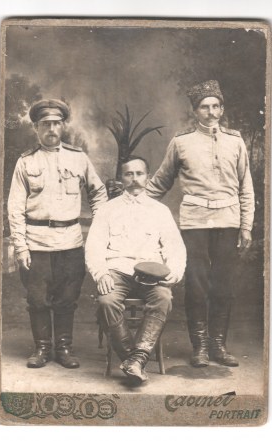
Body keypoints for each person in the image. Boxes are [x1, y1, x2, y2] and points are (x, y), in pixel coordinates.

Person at [146, 80, 255, 368]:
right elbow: (160, 181)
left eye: (215, 106)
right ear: (195, 111)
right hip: (194, 224)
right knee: (196, 286)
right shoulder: (181, 142)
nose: (211, 112)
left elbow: (246, 188)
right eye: (204, 107)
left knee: (224, 285)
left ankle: (218, 345)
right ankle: (201, 347)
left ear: (222, 108)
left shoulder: (236, 141)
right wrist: (134, 202)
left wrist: (246, 226)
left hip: (228, 222)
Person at [7, 99, 108, 369]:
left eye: (56, 123)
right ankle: (41, 349)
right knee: (37, 299)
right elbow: (14, 208)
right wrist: (21, 247)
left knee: (67, 299)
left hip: (70, 242)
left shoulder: (78, 157)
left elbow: (98, 192)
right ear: (37, 129)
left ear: (63, 126)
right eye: (45, 124)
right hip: (36, 241)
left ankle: (63, 349)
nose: (51, 128)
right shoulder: (25, 162)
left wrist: (98, 228)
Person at [85, 156, 186, 384]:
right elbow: (94, 247)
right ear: (121, 179)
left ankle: (135, 360)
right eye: (129, 174)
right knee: (107, 301)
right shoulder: (107, 210)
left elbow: (175, 247)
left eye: (139, 174)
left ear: (147, 177)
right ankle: (135, 359)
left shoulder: (160, 211)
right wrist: (101, 273)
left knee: (163, 298)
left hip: (151, 273)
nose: (134, 179)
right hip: (117, 270)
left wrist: (175, 270)